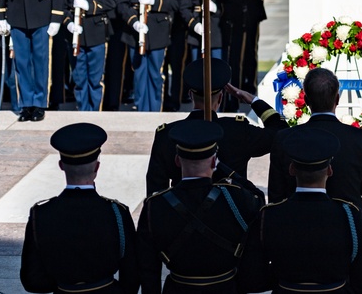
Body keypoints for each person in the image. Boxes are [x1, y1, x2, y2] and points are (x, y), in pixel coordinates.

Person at [237, 129, 362, 294]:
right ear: (329, 171)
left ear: (291, 169)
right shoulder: (350, 216)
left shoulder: (269, 216)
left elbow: (252, 277)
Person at [137, 120, 261, 294]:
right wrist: (223, 168)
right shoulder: (236, 197)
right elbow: (259, 197)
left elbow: (147, 267)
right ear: (213, 162)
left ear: (177, 161)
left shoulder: (155, 205)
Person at [20, 123, 140, 294]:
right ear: (97, 168)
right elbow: (132, 274)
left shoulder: (41, 214)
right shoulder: (116, 213)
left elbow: (32, 281)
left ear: (61, 165)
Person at [268, 67, 362, 246]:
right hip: (347, 236)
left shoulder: (285, 139)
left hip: (296, 235)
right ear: (337, 99)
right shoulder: (361, 139)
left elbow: (276, 197)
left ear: (305, 100)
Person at [146, 58, 288, 196]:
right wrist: (253, 101)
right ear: (220, 98)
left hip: (182, 216)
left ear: (190, 95)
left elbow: (155, 192)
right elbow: (280, 133)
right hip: (231, 216)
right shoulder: (238, 130)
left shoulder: (167, 134)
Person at [116, 0, 181, 112]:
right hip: (134, 31)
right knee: (139, 72)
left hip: (157, 30)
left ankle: (154, 112)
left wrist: (155, 1)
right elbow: (121, 3)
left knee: (155, 73)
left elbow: (175, 2)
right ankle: (141, 111)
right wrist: (134, 21)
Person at [65, 0, 116, 111]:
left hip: (96, 32)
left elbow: (111, 1)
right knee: (79, 77)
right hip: (76, 33)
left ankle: (95, 112)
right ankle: (82, 110)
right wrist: (68, 23)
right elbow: (62, 6)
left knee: (95, 79)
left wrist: (90, 6)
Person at [220, 0, 272, 109]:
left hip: (251, 11)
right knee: (234, 55)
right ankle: (235, 89)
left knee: (249, 50)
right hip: (233, 11)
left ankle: (249, 85)